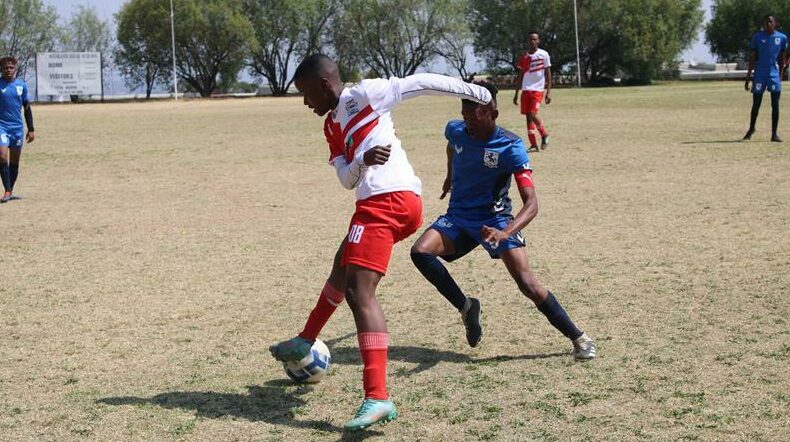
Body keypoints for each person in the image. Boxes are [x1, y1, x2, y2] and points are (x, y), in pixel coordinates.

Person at [268, 54, 492, 432]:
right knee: (343, 264)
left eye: (306, 94)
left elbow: (421, 82)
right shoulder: (330, 127)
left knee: (360, 291)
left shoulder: (366, 94)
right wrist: (361, 160)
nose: (305, 103)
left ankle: (377, 396)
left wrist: (476, 92)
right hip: (379, 201)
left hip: (389, 200)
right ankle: (305, 340)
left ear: (325, 84)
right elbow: (345, 177)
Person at [410, 81, 596, 361]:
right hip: (458, 217)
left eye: (475, 116)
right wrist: (450, 176)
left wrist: (505, 231)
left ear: (493, 114)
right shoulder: (456, 130)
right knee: (420, 252)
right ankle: (467, 307)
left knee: (527, 284)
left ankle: (579, 338)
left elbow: (531, 204)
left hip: (495, 220)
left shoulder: (511, 147)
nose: (468, 122)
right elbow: (452, 145)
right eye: (465, 115)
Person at [743, 15, 788, 143]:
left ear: (775, 23)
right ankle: (751, 129)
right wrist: (748, 77)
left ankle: (774, 134)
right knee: (756, 104)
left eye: (770, 21)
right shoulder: (757, 37)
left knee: (775, 104)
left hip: (773, 75)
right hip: (759, 75)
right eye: (765, 22)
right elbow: (752, 58)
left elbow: (782, 58)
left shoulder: (782, 38)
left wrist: (780, 74)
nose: (767, 24)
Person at [0, 56, 35, 203]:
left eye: (11, 68)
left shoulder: (21, 85)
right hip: (2, 126)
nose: (8, 70)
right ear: (2, 69)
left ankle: (10, 190)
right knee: (2, 156)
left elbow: (27, 107)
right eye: (6, 68)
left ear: (15, 69)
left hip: (17, 129)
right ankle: (7, 191)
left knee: (15, 161)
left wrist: (31, 129)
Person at [513, 32, 551, 151]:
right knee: (528, 117)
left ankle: (544, 134)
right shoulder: (524, 57)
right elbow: (520, 76)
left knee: (532, 114)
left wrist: (548, 91)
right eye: (530, 40)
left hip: (538, 90)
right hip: (526, 90)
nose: (532, 42)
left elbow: (548, 74)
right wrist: (516, 93)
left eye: (535, 39)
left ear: (538, 41)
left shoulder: (543, 54)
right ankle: (533, 144)